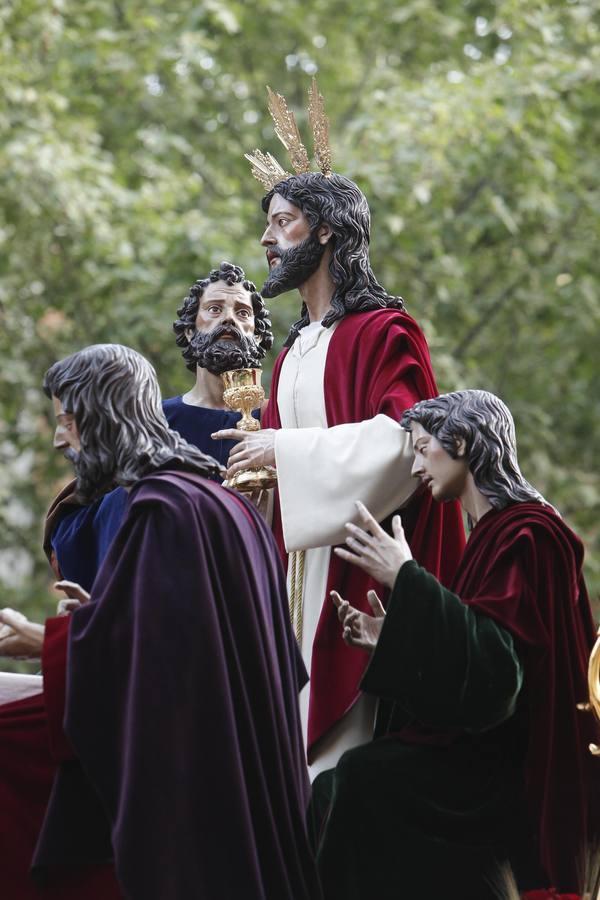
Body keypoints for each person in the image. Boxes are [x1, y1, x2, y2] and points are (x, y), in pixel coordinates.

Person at [0, 344, 320, 900]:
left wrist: (51, 642)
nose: (60, 440)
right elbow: (189, 639)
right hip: (249, 780)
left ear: (102, 417)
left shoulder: (164, 510)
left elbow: (166, 671)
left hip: (202, 803)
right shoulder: (217, 501)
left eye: (68, 422)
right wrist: (98, 619)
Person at [214, 89, 465, 776]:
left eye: (284, 222)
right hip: (290, 574)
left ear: (326, 231)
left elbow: (405, 444)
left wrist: (283, 452)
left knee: (334, 775)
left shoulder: (386, 333)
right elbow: (272, 466)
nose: (267, 239)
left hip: (352, 584)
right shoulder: (294, 350)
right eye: (268, 225)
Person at [318, 389, 599, 898]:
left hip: (508, 772)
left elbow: (496, 678)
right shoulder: (494, 535)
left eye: (423, 449)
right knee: (333, 788)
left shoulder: (527, 534)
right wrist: (394, 638)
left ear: (463, 442)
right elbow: (475, 654)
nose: (418, 467)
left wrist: (406, 576)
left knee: (358, 781)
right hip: (484, 748)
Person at [46, 260, 272, 590]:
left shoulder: (277, 424)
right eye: (213, 309)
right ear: (190, 330)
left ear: (258, 333)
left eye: (242, 313)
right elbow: (90, 520)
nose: (229, 318)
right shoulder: (153, 421)